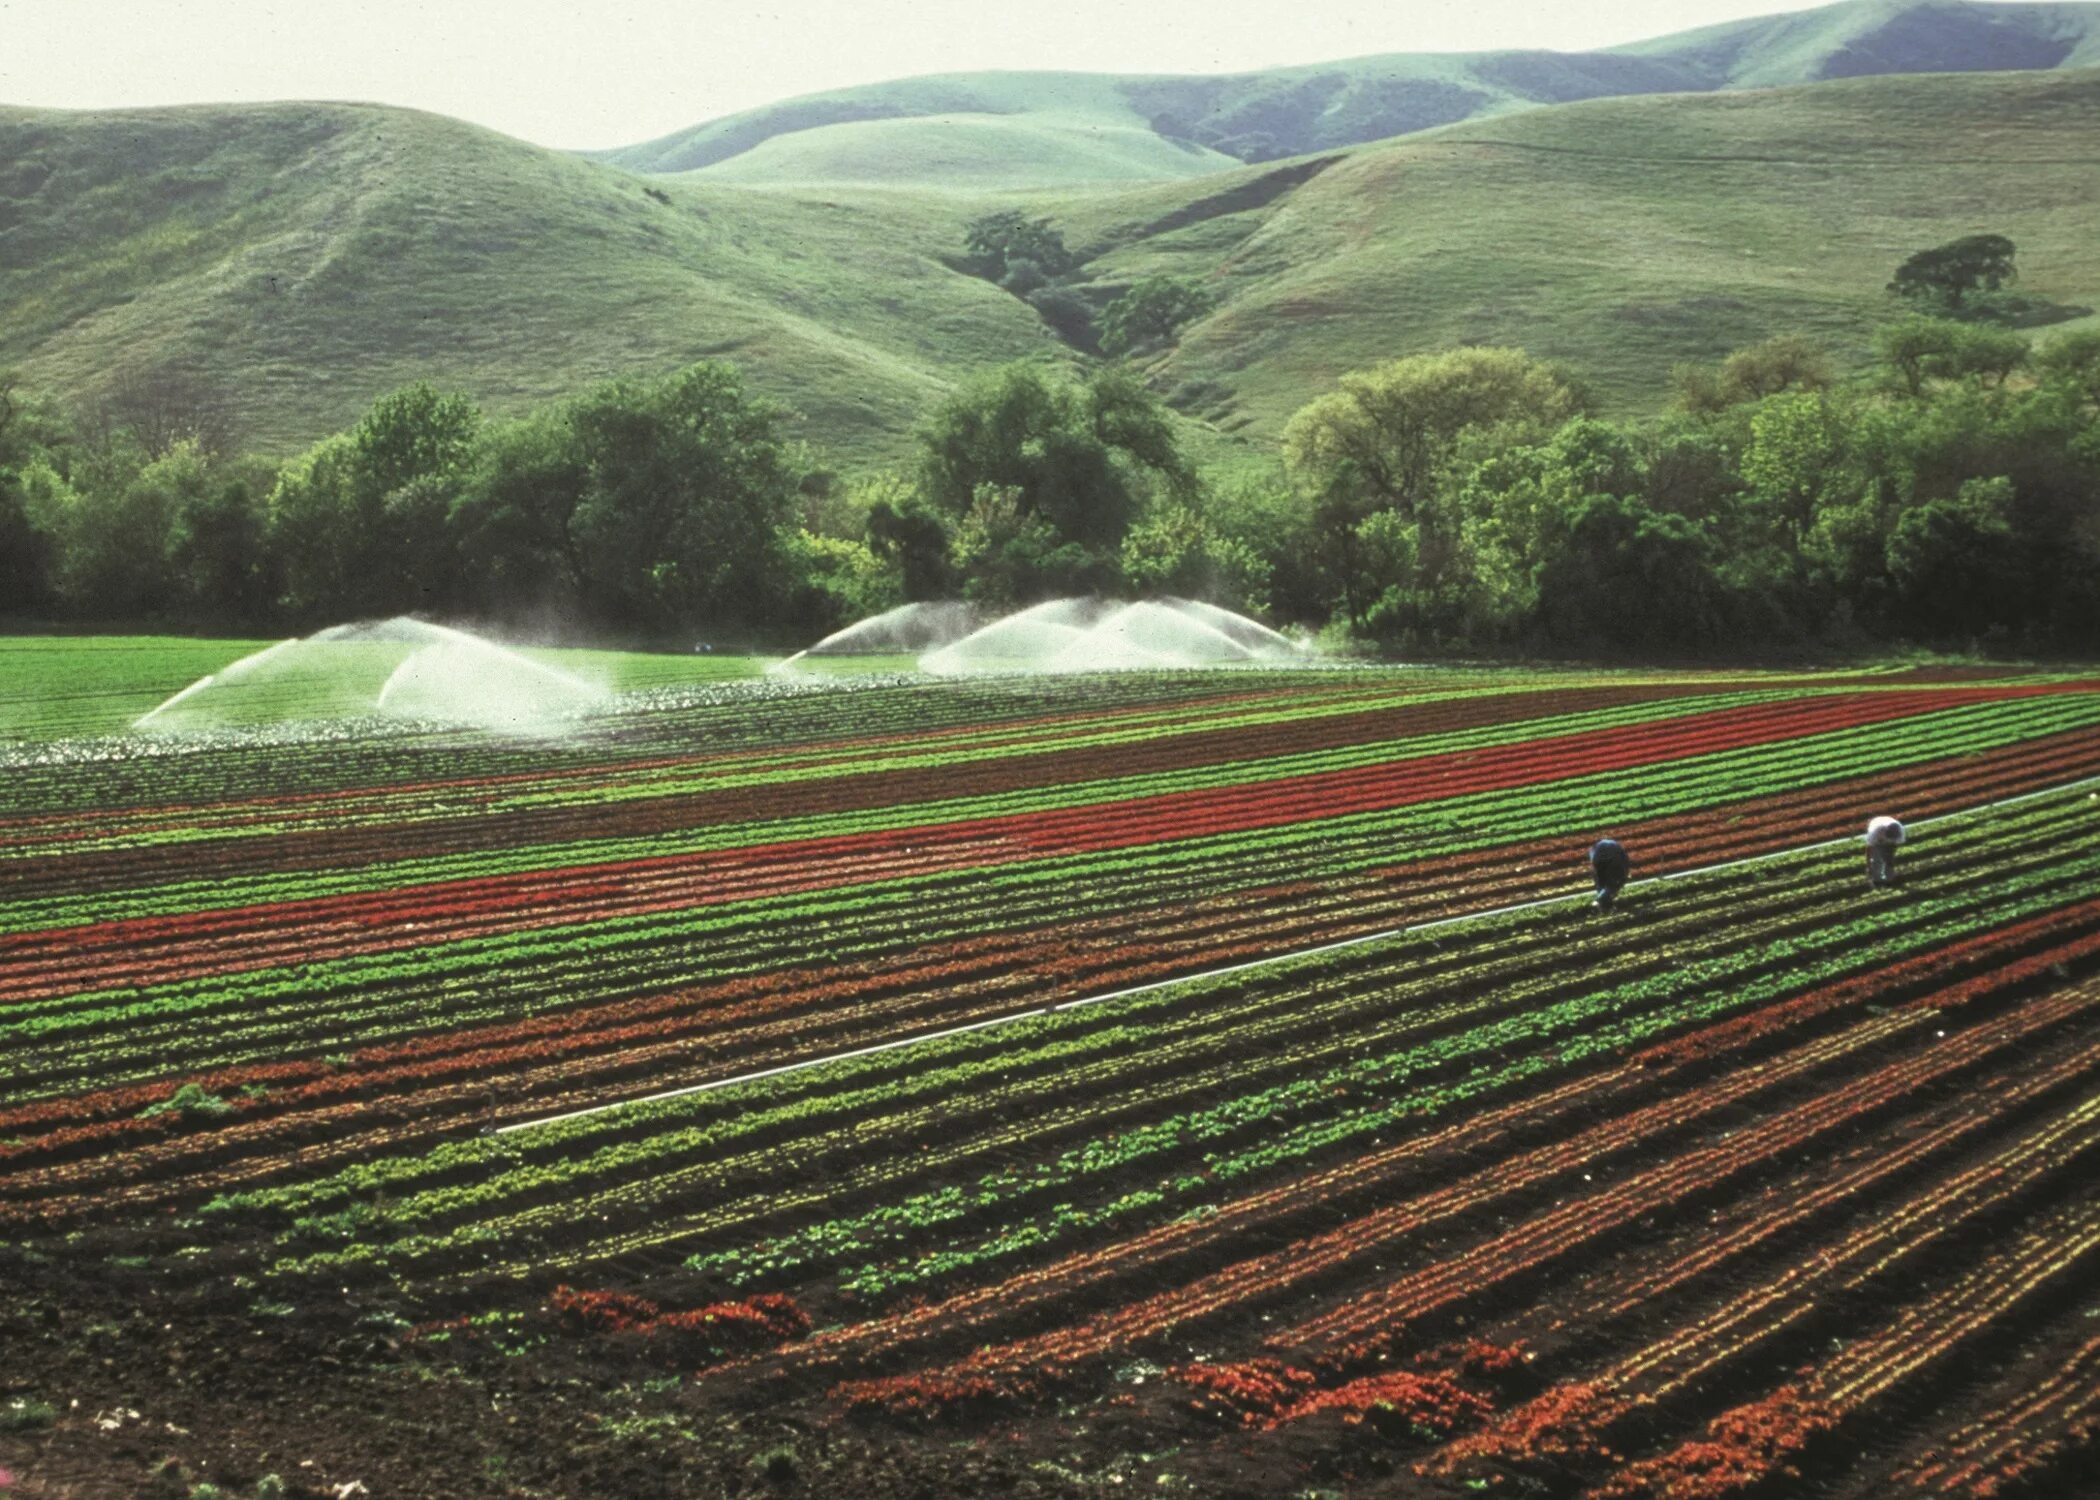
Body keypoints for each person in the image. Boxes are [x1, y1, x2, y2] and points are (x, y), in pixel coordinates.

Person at [1589, 837, 1631, 912]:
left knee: (1603, 882)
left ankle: (1603, 903)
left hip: (1598, 853)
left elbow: (1595, 870)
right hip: (1610, 854)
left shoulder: (1596, 848)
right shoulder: (1622, 871)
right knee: (1612, 884)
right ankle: (1600, 902)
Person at [1865, 815, 1906, 888]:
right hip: (1878, 835)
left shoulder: (1900, 831)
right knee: (1876, 858)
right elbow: (1869, 848)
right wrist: (1868, 865)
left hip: (1887, 838)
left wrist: (1889, 857)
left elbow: (1895, 846)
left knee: (1889, 860)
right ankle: (1877, 880)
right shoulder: (1875, 831)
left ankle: (1889, 880)